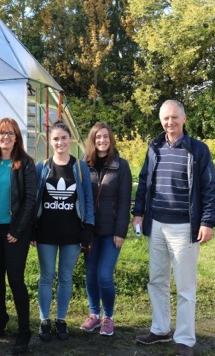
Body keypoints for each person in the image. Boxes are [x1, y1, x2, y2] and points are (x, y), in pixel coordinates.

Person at [133, 100, 215, 356]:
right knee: (157, 280)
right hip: (156, 224)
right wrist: (138, 213)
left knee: (185, 286)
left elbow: (210, 187)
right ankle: (160, 330)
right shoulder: (154, 147)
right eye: (165, 118)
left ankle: (184, 338)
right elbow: (144, 181)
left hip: (185, 228)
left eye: (174, 117)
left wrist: (207, 221)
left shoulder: (198, 150)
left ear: (184, 118)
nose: (169, 122)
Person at [0, 118, 37, 355]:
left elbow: (30, 200)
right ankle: (2, 320)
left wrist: (17, 230)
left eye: (10, 134)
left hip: (15, 232)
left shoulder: (25, 164)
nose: (6, 137)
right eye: (2, 133)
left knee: (15, 279)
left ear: (17, 138)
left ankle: (24, 330)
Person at [34, 121, 94, 342]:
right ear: (50, 142)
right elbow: (35, 200)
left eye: (63, 138)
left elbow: (87, 198)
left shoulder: (80, 167)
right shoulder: (42, 167)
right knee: (46, 277)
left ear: (70, 140)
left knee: (66, 277)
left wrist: (88, 228)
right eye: (55, 139)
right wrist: (32, 229)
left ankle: (60, 320)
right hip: (46, 233)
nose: (60, 142)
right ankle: (44, 320)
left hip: (72, 233)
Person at [79, 122, 132, 336]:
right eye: (98, 137)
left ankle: (108, 317)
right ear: (92, 140)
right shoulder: (83, 165)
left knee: (104, 275)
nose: (102, 140)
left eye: (106, 137)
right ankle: (94, 315)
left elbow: (124, 200)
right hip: (90, 231)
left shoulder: (121, 165)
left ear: (111, 140)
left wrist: (121, 232)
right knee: (91, 275)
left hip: (111, 232)